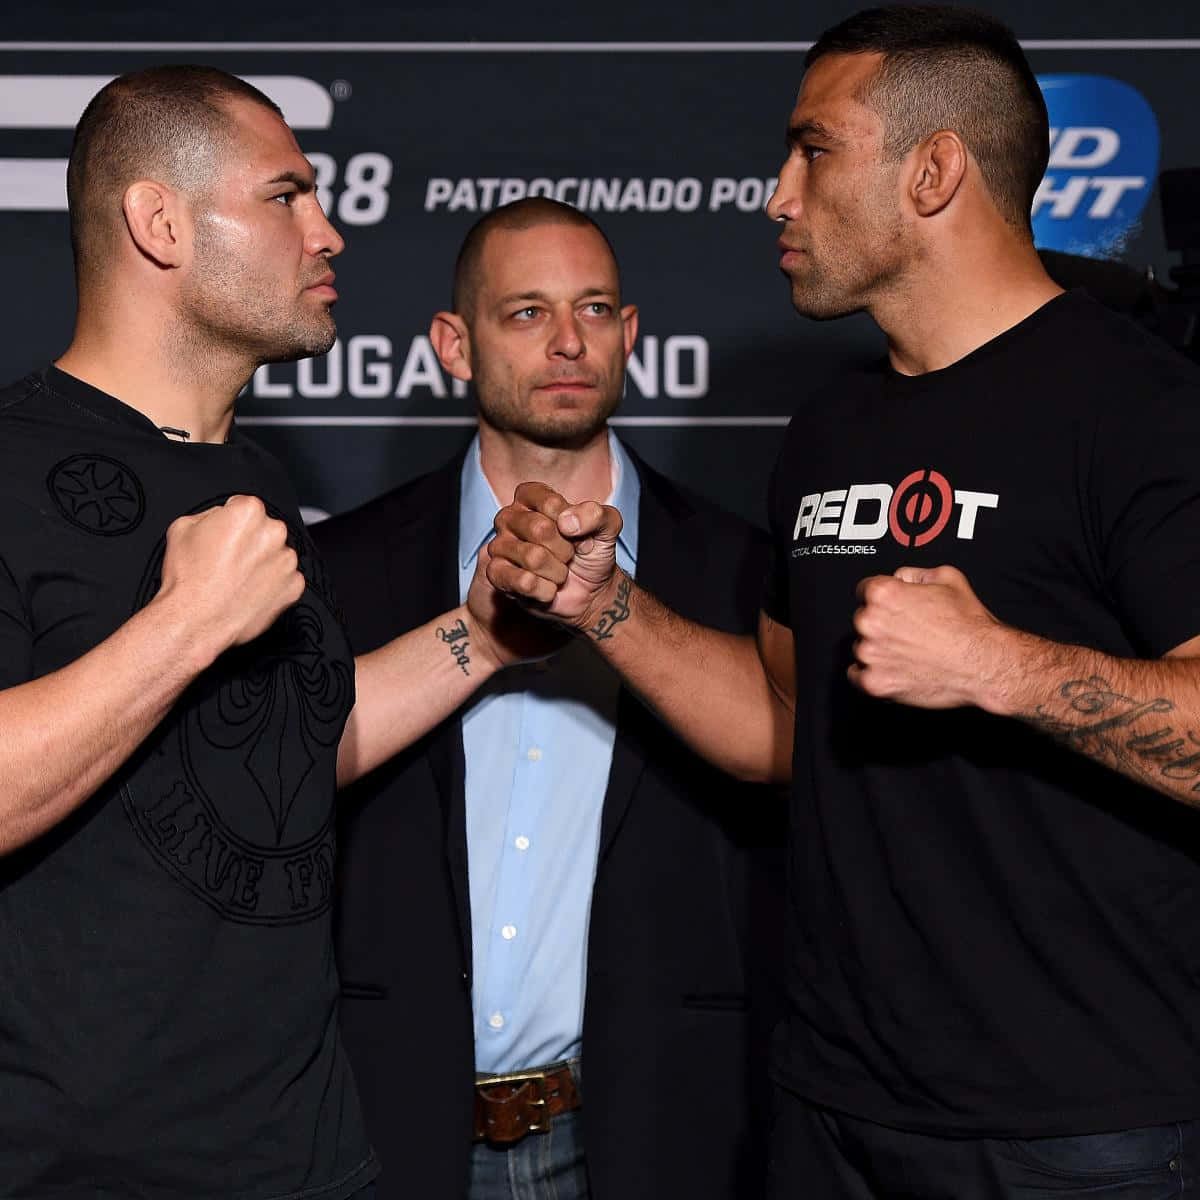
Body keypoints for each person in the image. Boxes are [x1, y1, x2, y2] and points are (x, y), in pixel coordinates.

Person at [485, 8, 1200, 1197]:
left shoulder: (1141, 408)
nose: (777, 194)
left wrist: (1003, 670)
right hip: (835, 1103)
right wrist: (606, 607)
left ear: (934, 170)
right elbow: (782, 722)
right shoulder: (832, 427)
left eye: (814, 151)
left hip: (1078, 1126)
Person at [0, 66, 545, 1199]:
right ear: (160, 224)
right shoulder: (9, 466)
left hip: (305, 1158)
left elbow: (289, 755)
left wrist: (484, 638)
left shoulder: (246, 472)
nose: (330, 231)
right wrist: (186, 626)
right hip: (91, 1174)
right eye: (286, 195)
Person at [310, 197, 783, 1200]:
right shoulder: (340, 571)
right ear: (454, 343)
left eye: (596, 310)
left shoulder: (745, 572)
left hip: (657, 1137)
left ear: (632, 335)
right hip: (387, 1132)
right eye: (525, 312)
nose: (569, 341)